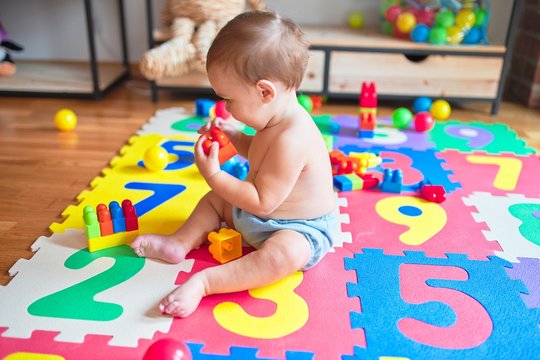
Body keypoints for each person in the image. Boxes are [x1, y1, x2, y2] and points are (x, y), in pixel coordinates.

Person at [131, 10, 338, 318]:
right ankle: (179, 242)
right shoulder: (274, 119)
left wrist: (213, 174)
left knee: (284, 255)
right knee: (217, 201)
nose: (226, 107)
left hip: (297, 228)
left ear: (265, 91)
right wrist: (236, 136)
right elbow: (259, 154)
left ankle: (205, 283)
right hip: (257, 214)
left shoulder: (293, 138)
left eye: (229, 100)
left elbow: (263, 201)